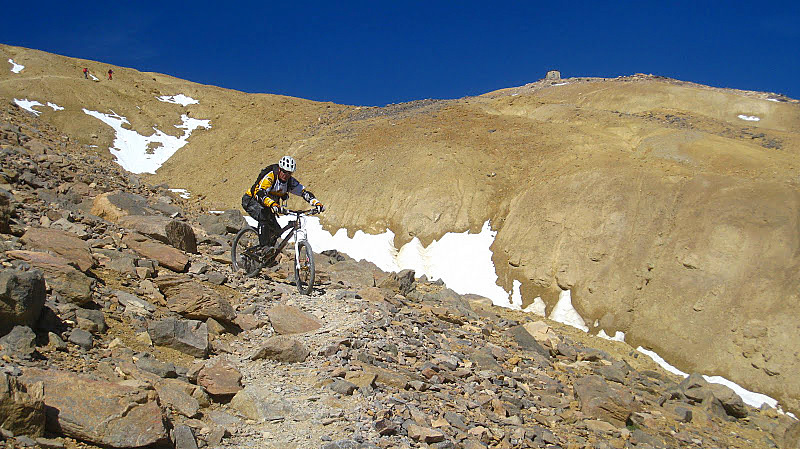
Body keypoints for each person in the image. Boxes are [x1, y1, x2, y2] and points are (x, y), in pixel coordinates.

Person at [241, 155, 325, 248]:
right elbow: (260, 193)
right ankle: (263, 248)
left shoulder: (290, 182)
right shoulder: (270, 176)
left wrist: (316, 203)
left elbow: (304, 193)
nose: (286, 175)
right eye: (284, 172)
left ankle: (268, 258)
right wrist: (272, 204)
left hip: (267, 206)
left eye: (289, 173)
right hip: (251, 200)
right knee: (264, 217)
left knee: (276, 230)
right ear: (280, 169)